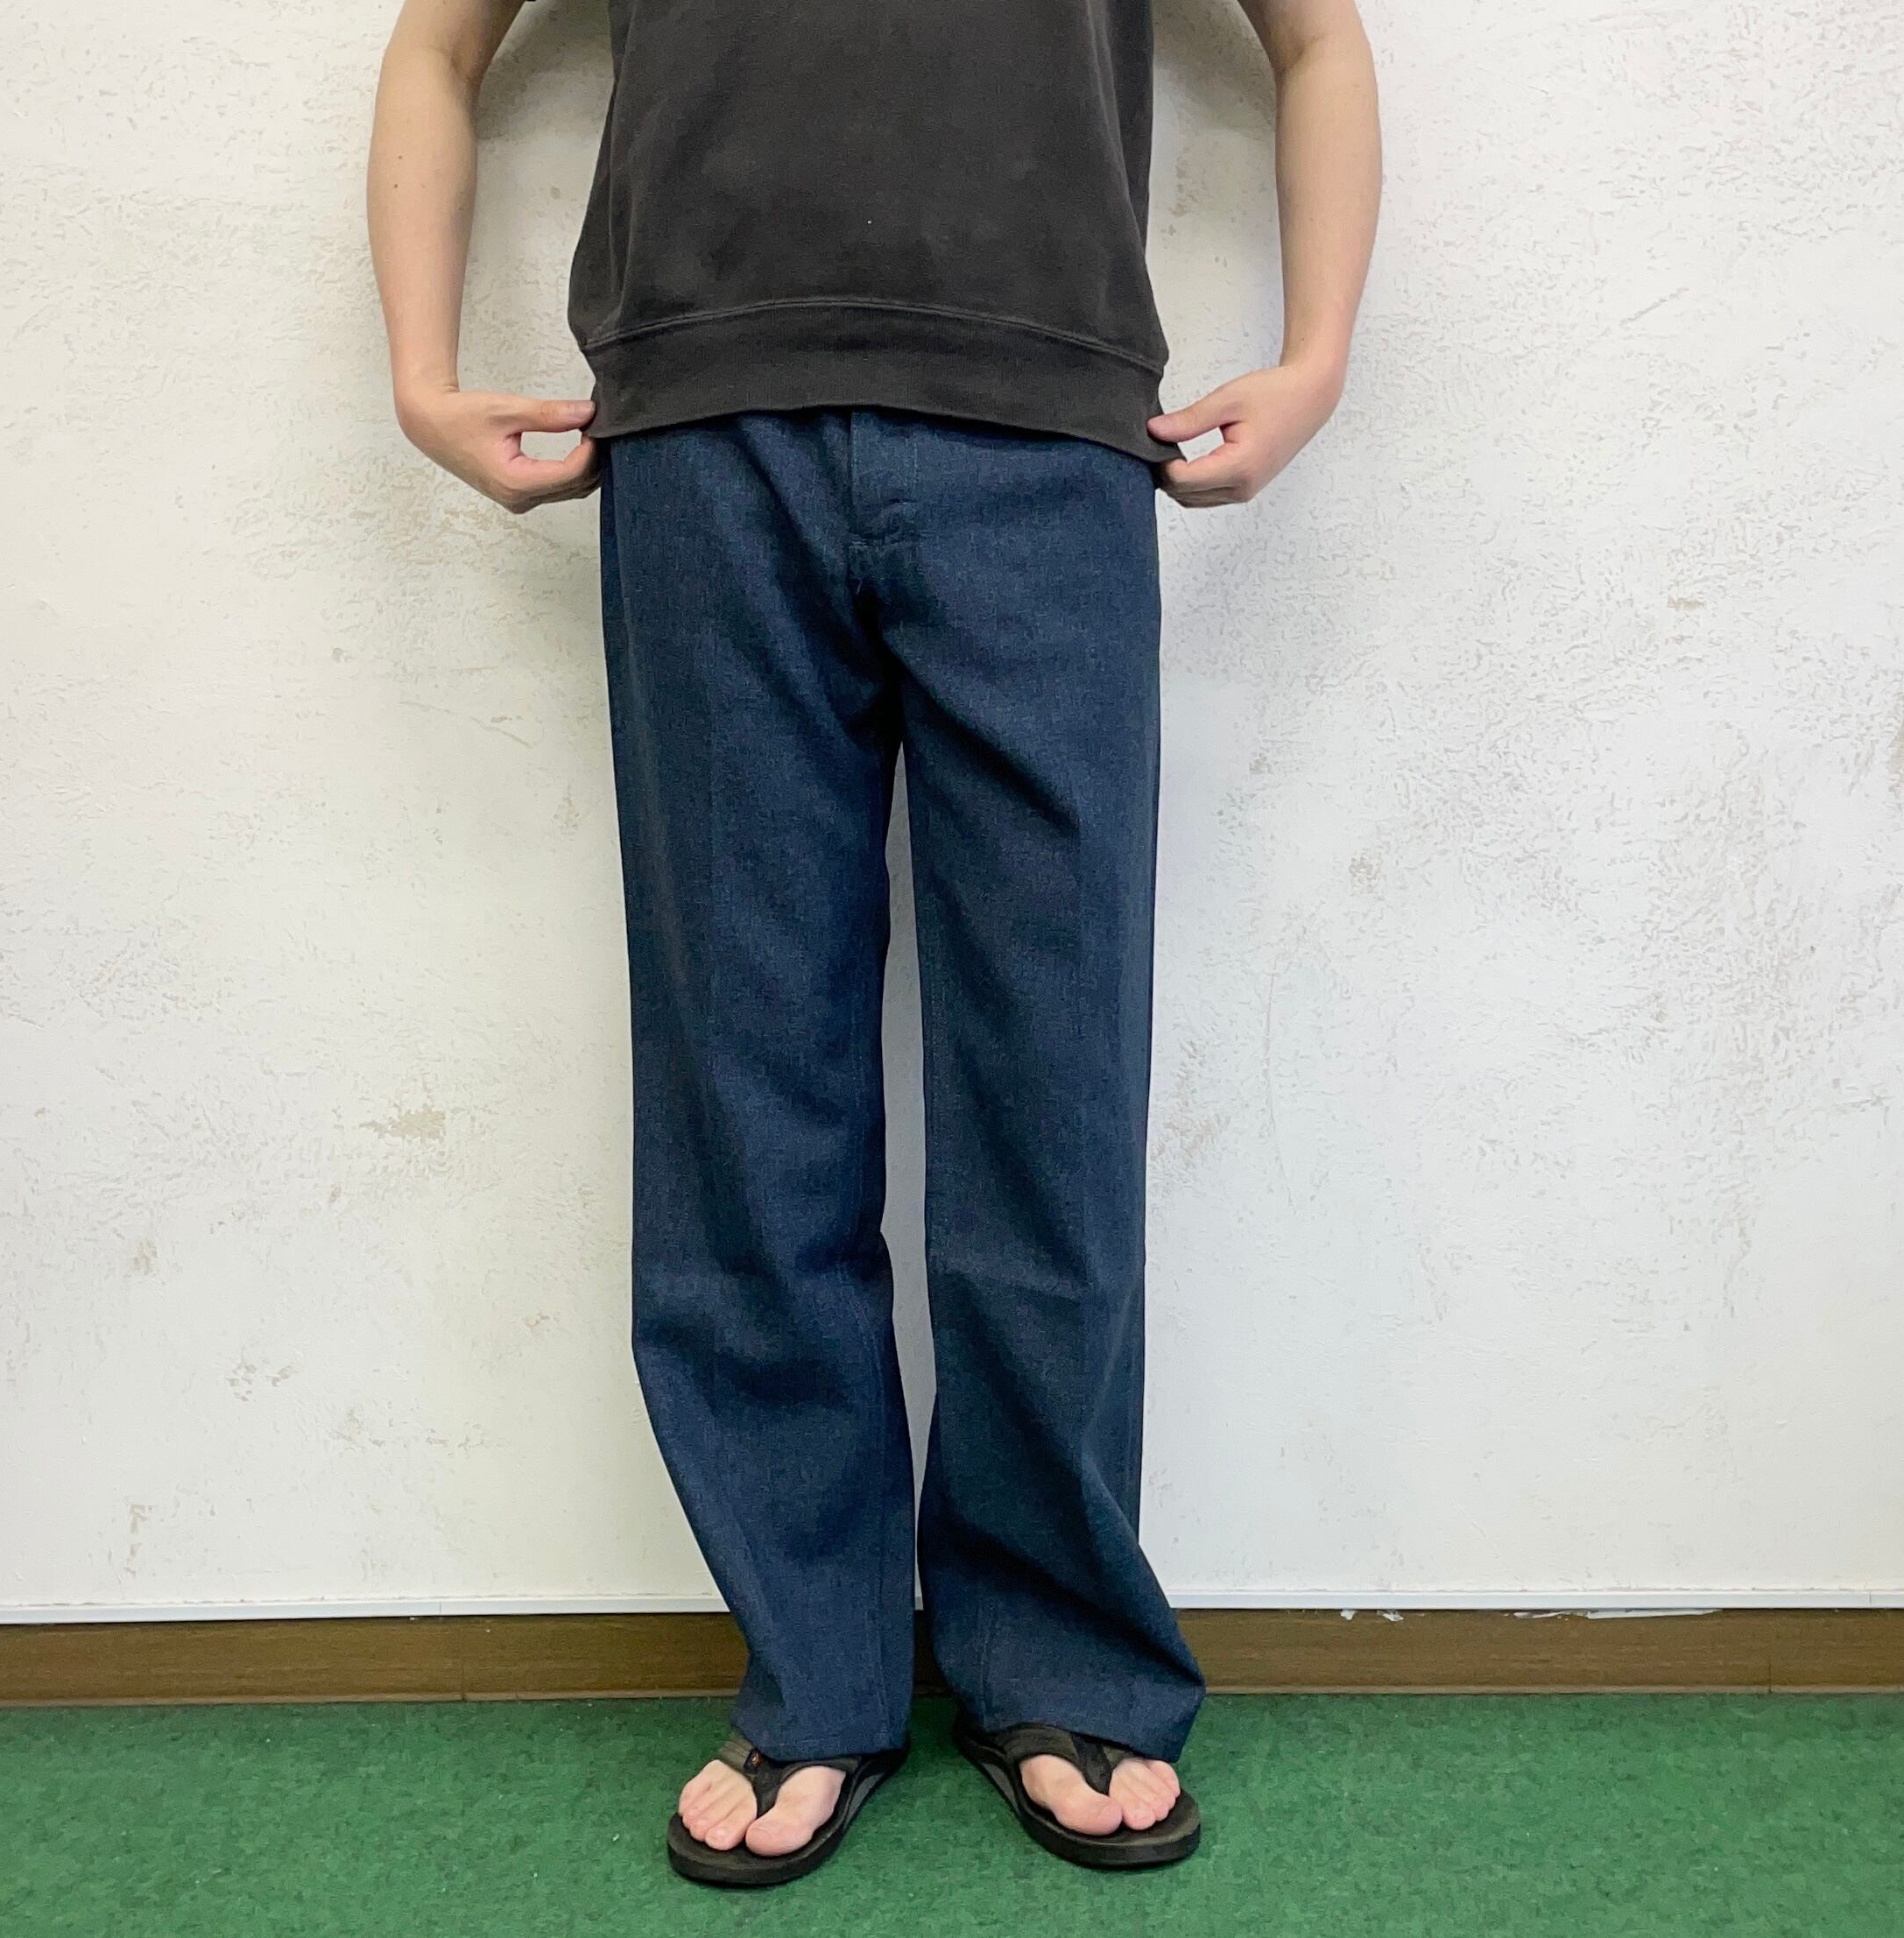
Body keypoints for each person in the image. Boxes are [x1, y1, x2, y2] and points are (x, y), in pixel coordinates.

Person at [368, 0, 1380, 1886]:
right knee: (747, 1092)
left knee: (1052, 1086)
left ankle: (1056, 1652)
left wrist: (1318, 355)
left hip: (1051, 439)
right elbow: (440, 46)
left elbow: (1313, 37)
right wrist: (419, 373)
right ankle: (815, 1670)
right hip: (705, 438)